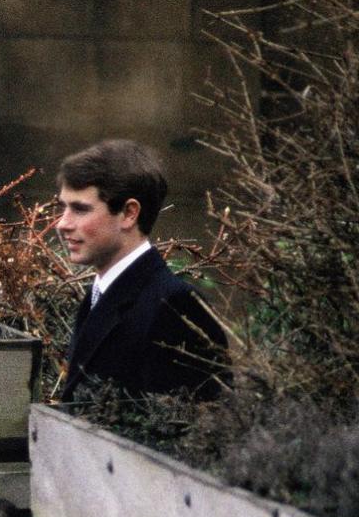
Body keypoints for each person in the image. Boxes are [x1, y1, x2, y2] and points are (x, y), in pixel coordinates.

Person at [55, 139, 230, 403]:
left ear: (129, 214)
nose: (62, 224)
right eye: (63, 207)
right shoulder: (99, 293)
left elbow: (188, 426)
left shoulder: (174, 305)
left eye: (80, 209)